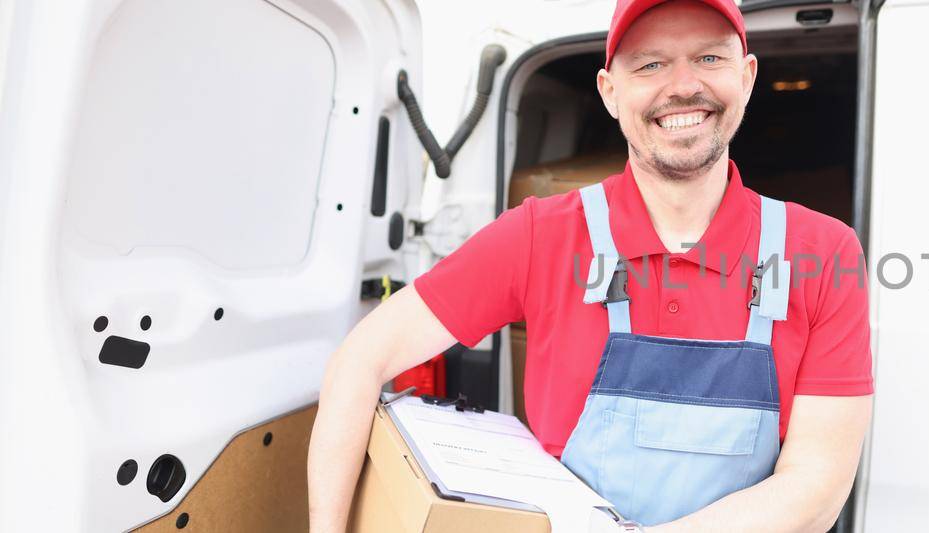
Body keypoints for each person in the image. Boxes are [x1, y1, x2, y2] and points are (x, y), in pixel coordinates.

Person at [305, 0, 875, 530]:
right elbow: (359, 360)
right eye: (650, 64)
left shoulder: (822, 253)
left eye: (708, 57)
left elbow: (818, 487)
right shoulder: (540, 235)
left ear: (747, 76)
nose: (683, 86)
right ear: (608, 90)